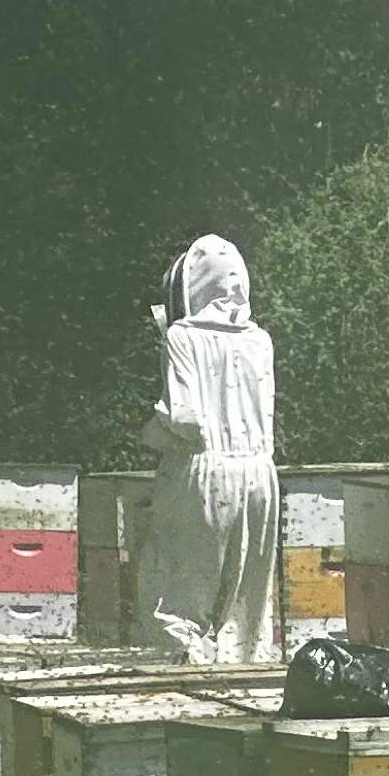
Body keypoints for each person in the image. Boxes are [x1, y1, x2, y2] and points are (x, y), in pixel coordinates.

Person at [141, 234, 280, 664]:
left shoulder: (182, 337)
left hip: (205, 472)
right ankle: (246, 688)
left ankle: (184, 684)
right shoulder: (260, 340)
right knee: (246, 607)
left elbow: (185, 421)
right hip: (261, 475)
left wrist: (150, 432)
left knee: (181, 599)